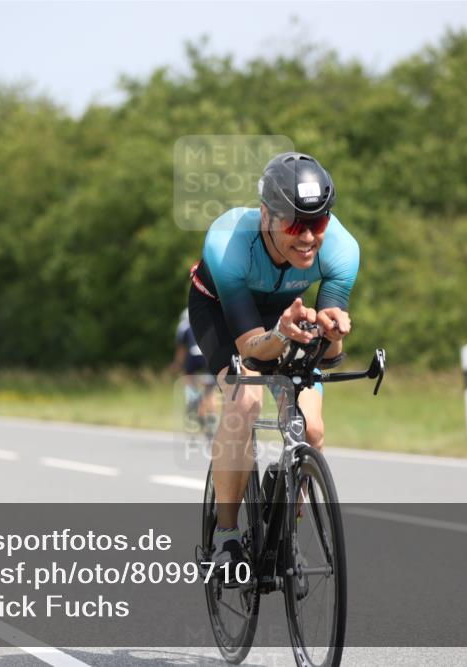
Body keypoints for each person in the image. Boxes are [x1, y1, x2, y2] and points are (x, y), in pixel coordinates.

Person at [187, 152, 359, 568]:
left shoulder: (342, 249)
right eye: (295, 225)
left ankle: (286, 528)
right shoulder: (228, 241)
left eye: (318, 223)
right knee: (245, 402)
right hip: (223, 314)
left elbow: (328, 355)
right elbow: (250, 348)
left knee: (311, 428)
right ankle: (226, 538)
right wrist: (280, 334)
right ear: (266, 216)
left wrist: (333, 335)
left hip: (288, 315)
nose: (309, 237)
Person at [171, 308, 217, 431]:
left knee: (187, 377)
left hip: (193, 357)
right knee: (210, 390)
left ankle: (192, 397)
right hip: (207, 357)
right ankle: (212, 415)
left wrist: (177, 364)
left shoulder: (183, 325)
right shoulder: (208, 323)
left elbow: (181, 349)